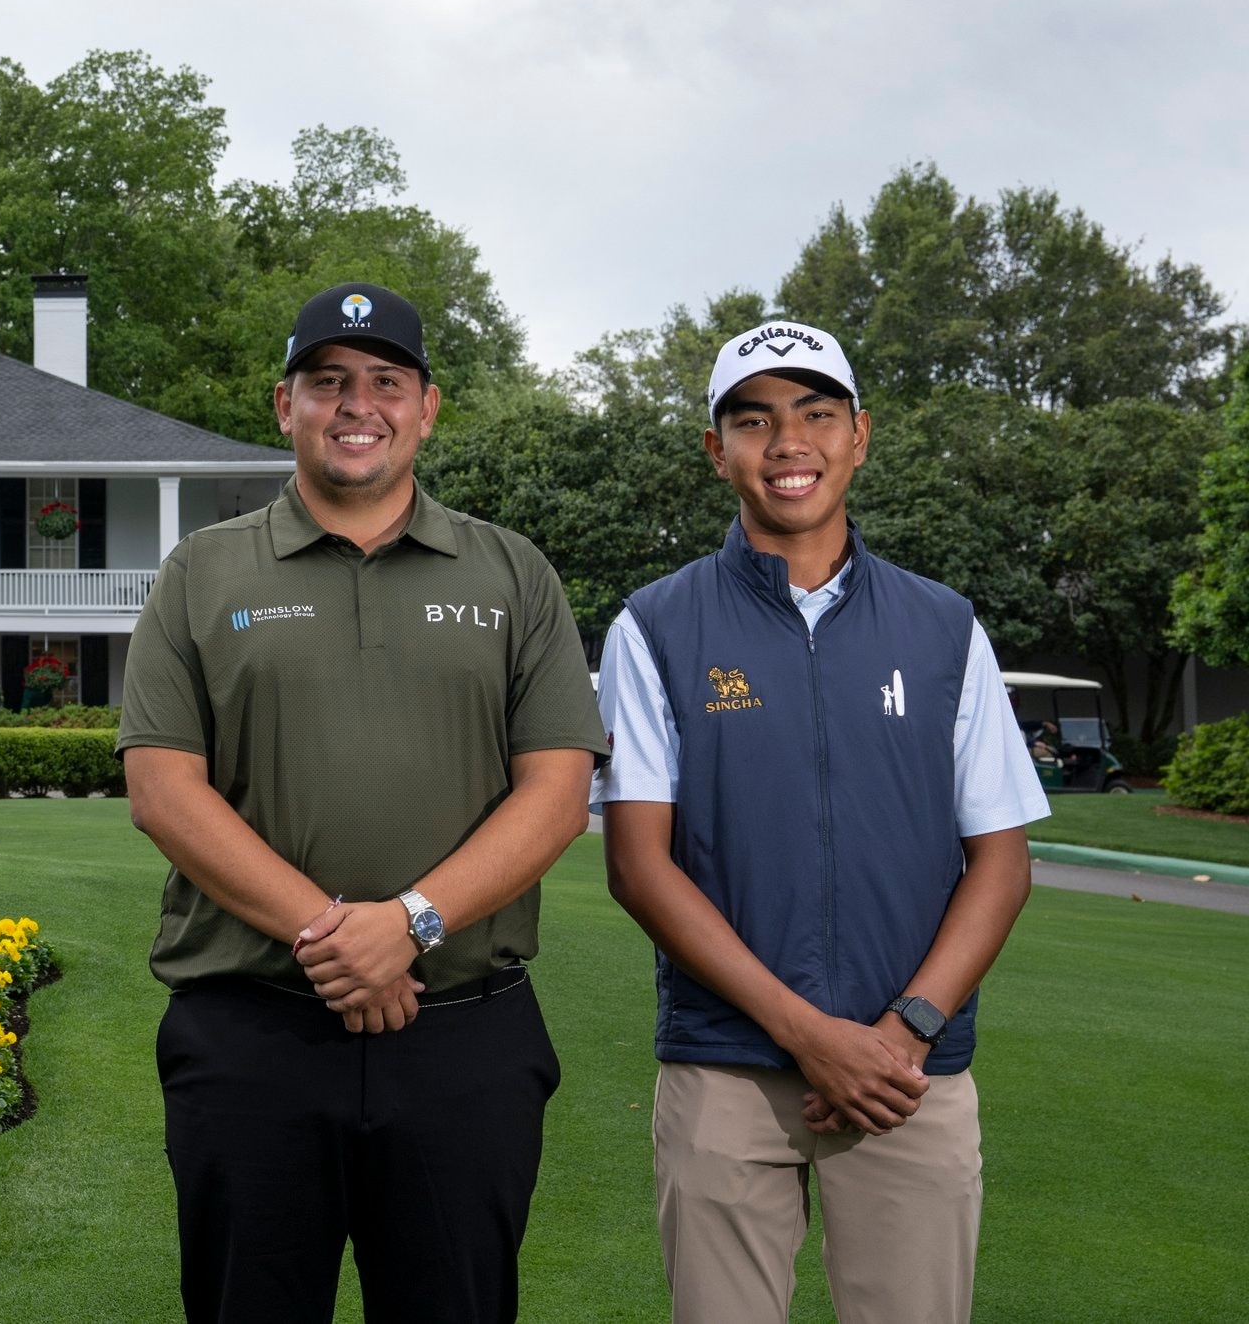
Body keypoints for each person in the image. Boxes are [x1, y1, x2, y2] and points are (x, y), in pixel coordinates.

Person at [117, 281, 609, 1324]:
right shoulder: (201, 574)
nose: (357, 405)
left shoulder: (513, 573)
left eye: (386, 382)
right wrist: (337, 937)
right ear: (283, 404)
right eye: (327, 382)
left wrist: (412, 925)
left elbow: (559, 792)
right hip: (252, 1039)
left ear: (427, 408)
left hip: (462, 1040)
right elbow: (164, 792)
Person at [594, 320, 1047, 1324]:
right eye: (753, 421)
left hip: (907, 1077)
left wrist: (901, 1031)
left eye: (815, 414)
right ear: (718, 452)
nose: (787, 441)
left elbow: (1001, 859)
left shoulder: (944, 626)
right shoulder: (655, 626)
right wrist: (809, 1033)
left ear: (859, 436)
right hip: (725, 1068)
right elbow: (640, 866)